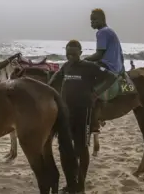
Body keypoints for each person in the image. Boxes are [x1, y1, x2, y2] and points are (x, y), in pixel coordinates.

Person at [48, 40, 117, 193]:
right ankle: (71, 184)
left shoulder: (88, 66)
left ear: (80, 52)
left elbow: (111, 77)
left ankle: (81, 185)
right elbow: (53, 82)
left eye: (73, 53)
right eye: (68, 53)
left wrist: (96, 93)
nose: (70, 56)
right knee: (64, 148)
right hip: (65, 113)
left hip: (83, 112)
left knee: (81, 147)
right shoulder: (65, 67)